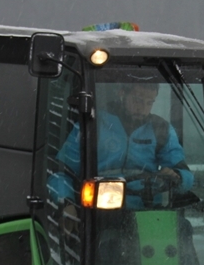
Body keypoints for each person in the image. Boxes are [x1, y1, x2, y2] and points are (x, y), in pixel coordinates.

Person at [54, 84, 194, 209]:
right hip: (98, 211)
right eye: (137, 100)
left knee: (183, 230)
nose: (142, 108)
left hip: (148, 209)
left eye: (149, 103)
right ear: (122, 93)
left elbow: (184, 173)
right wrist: (67, 204)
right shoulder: (93, 125)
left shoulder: (161, 129)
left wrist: (178, 177)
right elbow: (61, 172)